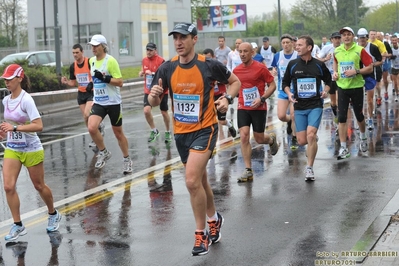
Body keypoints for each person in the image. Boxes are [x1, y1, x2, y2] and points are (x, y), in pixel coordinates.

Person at [148, 23, 241, 256]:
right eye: (175, 38)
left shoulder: (208, 65)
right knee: (201, 181)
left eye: (183, 38)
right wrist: (153, 96)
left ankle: (201, 235)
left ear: (194, 39)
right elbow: (152, 102)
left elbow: (235, 82)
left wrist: (227, 99)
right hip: (181, 133)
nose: (178, 42)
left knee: (191, 181)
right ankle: (214, 219)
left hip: (205, 129)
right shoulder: (167, 68)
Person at [0, 64, 62, 241]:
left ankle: (53, 213)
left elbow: (38, 125)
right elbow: (9, 126)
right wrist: (4, 132)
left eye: (10, 78)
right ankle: (18, 225)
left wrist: (15, 127)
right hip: (13, 147)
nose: (6, 81)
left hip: (31, 148)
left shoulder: (27, 100)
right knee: (8, 186)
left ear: (19, 78)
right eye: (5, 78)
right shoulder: (6, 100)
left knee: (39, 186)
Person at [283, 35, 332, 181]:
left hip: (315, 104)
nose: (296, 47)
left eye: (299, 45)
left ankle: (309, 168)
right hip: (299, 106)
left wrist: (326, 91)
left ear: (309, 47)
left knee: (310, 135)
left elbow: (328, 80)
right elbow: (284, 83)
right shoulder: (292, 64)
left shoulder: (318, 65)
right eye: (296, 45)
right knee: (302, 141)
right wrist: (289, 93)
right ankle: (312, 140)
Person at [87, 34, 133, 173]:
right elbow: (95, 77)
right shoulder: (91, 61)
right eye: (92, 46)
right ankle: (104, 152)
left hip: (113, 102)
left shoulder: (111, 61)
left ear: (103, 46)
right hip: (99, 102)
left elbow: (120, 82)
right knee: (91, 127)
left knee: (118, 134)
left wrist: (106, 78)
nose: (93, 48)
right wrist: (91, 83)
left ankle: (127, 159)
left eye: (96, 46)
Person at [233, 42, 279, 182]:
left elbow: (272, 85)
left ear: (252, 53)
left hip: (259, 107)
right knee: (244, 136)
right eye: (240, 51)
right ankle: (248, 170)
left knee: (259, 138)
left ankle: (270, 139)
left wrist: (262, 98)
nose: (242, 54)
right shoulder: (236, 70)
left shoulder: (260, 68)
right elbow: (233, 86)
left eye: (245, 51)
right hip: (242, 107)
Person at [333, 27, 373, 160]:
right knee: (342, 117)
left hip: (356, 86)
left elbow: (370, 67)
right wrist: (335, 73)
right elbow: (335, 62)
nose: (346, 37)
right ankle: (344, 147)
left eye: (348, 35)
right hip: (342, 87)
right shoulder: (337, 50)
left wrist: (355, 71)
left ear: (353, 36)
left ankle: (363, 137)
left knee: (359, 115)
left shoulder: (360, 50)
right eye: (343, 35)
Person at [61, 44, 105, 149]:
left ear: (82, 52)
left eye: (77, 52)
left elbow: (96, 74)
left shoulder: (89, 62)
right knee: (85, 119)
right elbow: (73, 83)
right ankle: (95, 136)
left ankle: (98, 128)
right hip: (81, 94)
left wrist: (91, 82)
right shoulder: (73, 66)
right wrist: (66, 82)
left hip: (91, 92)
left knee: (87, 114)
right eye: (73, 53)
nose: (75, 55)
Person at [138, 42, 171, 143]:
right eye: (147, 50)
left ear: (155, 51)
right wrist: (141, 73)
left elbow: (165, 74)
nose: (148, 52)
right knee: (146, 111)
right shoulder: (144, 60)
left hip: (161, 90)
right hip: (149, 90)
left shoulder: (161, 61)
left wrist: (153, 74)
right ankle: (154, 130)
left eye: (151, 50)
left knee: (164, 112)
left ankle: (167, 132)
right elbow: (142, 70)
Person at [271, 34, 299, 149]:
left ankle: (294, 138)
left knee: (293, 114)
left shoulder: (297, 55)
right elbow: (274, 68)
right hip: (283, 90)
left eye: (288, 42)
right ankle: (289, 122)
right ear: (281, 44)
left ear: (292, 43)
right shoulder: (278, 56)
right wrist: (274, 71)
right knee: (282, 116)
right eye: (283, 43)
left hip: (295, 90)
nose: (286, 45)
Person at [203, 48, 237, 139]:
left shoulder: (218, 67)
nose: (207, 61)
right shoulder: (202, 69)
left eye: (209, 58)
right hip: (209, 97)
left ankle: (230, 125)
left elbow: (230, 82)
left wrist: (218, 81)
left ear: (214, 57)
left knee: (221, 121)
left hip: (220, 96)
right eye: (205, 58)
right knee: (209, 120)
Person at [357, 28, 382, 131]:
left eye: (363, 38)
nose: (362, 40)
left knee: (370, 100)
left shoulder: (373, 48)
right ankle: (360, 121)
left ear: (367, 38)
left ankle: (370, 119)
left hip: (370, 76)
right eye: (360, 38)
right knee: (358, 101)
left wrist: (371, 65)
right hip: (357, 76)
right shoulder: (355, 48)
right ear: (357, 39)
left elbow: (380, 61)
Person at [317, 31, 341, 127]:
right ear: (331, 40)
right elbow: (317, 58)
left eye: (339, 38)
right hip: (330, 78)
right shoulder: (327, 48)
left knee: (340, 101)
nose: (337, 40)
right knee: (334, 102)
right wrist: (325, 59)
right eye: (335, 38)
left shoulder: (344, 48)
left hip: (341, 77)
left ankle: (340, 121)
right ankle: (336, 116)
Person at [369, 30, 387, 106]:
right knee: (368, 84)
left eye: (374, 34)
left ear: (376, 35)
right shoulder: (367, 42)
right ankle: (371, 99)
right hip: (367, 66)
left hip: (377, 66)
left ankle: (379, 96)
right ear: (369, 35)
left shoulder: (379, 43)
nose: (373, 36)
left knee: (377, 84)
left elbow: (384, 53)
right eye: (371, 34)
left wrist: (379, 57)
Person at [390, 34, 399, 102]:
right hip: (393, 67)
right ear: (391, 41)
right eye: (393, 40)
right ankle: (397, 93)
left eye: (395, 40)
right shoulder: (390, 48)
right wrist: (390, 57)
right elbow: (386, 55)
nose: (394, 41)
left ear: (397, 40)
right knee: (395, 83)